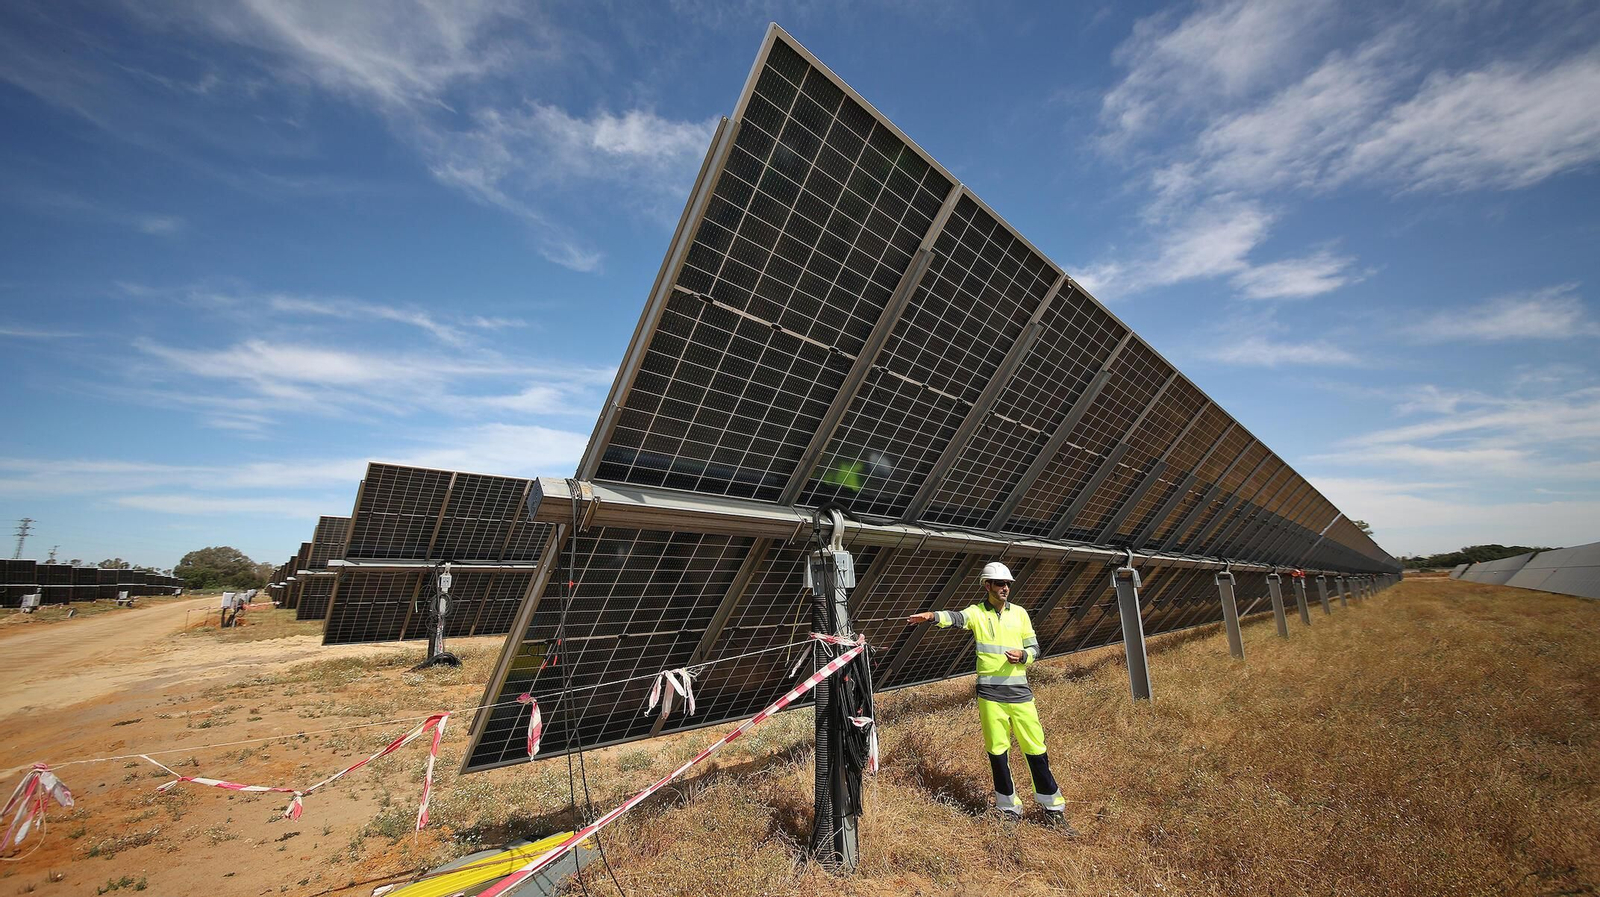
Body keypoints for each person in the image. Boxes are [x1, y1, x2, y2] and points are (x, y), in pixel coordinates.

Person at [906, 561, 1074, 830]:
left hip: (1021, 694)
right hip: (990, 696)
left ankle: (1052, 809)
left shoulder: (1020, 614)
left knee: (1036, 749)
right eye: (999, 583)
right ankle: (1008, 809)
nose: (1005, 587)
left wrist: (1023, 656)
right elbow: (957, 618)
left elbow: (1035, 649)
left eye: (1007, 584)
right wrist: (932, 616)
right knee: (998, 752)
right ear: (987, 586)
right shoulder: (977, 613)